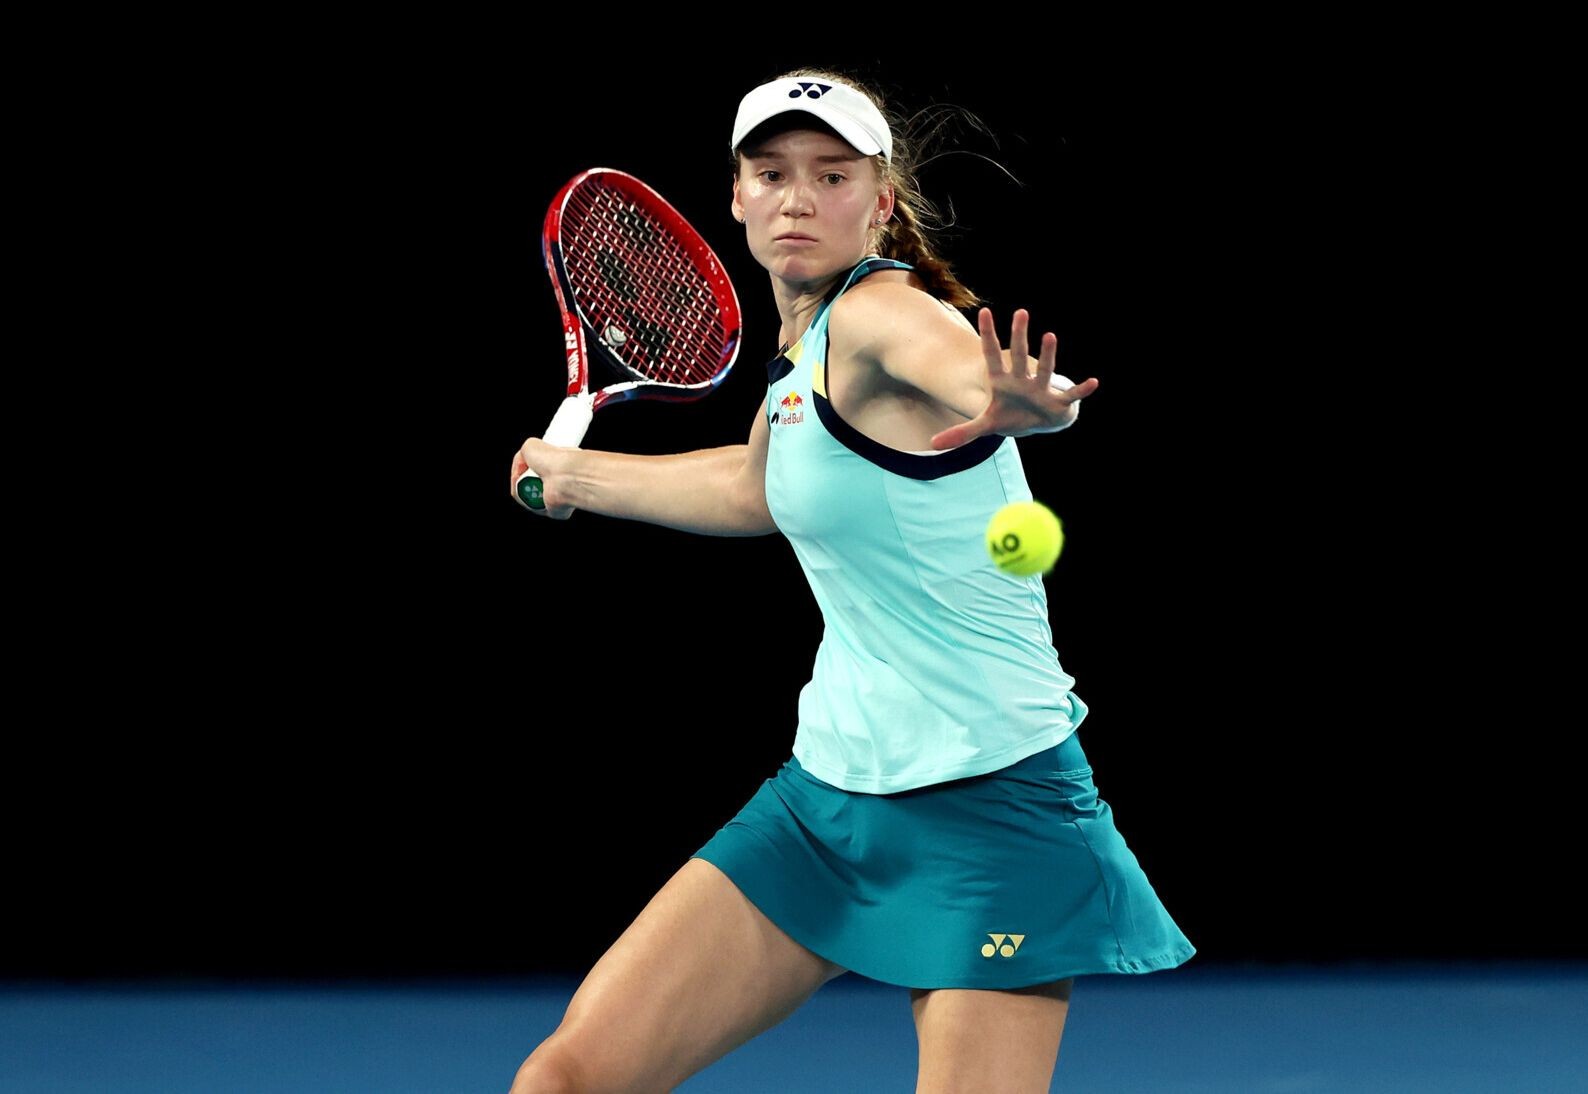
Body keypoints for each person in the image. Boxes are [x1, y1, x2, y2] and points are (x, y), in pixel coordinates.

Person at [507, 68, 1194, 1093]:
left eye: (831, 176)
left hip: (988, 801)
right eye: (771, 173)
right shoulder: (805, 351)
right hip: (827, 798)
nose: (797, 198)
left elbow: (967, 368)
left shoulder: (880, 316)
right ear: (737, 196)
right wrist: (576, 477)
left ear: (879, 202)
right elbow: (755, 485)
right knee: (567, 1077)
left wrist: (1031, 402)